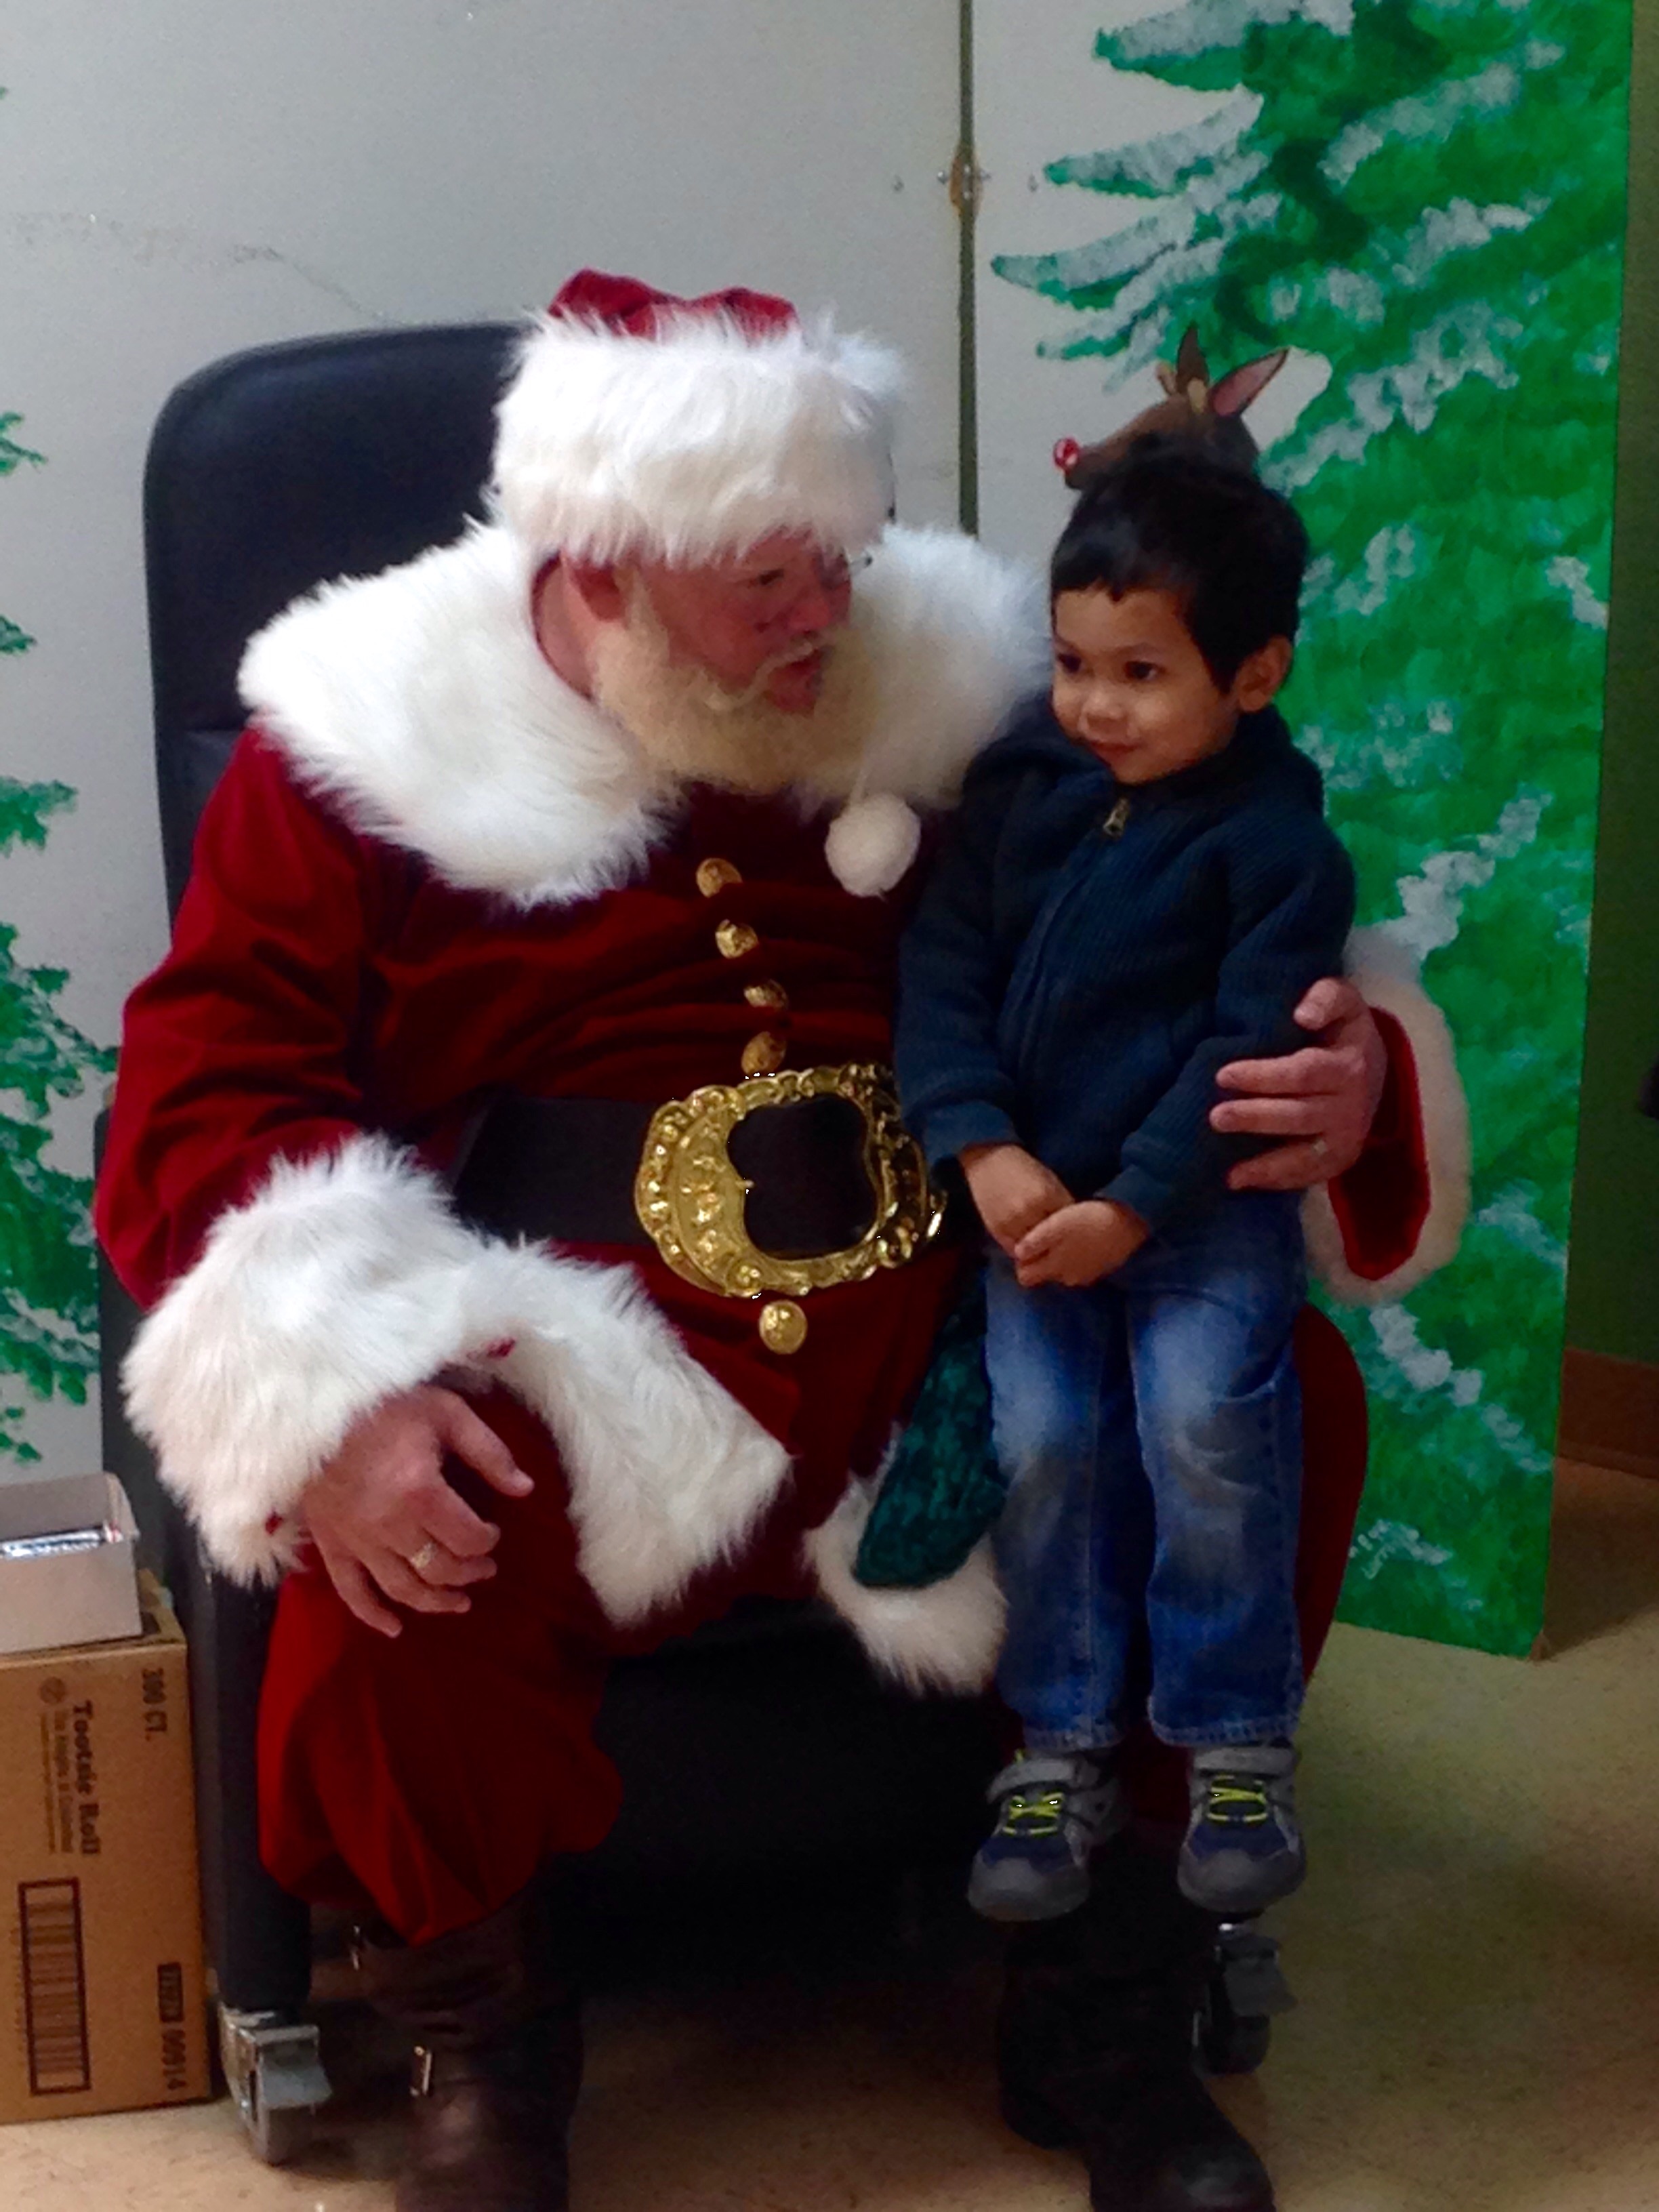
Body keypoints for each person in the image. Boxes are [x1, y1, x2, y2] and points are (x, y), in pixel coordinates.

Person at [97, 272, 1457, 2212]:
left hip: (949, 1333)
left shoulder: (963, 689)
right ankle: (485, 2051)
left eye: (843, 556)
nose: (827, 612)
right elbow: (202, 1098)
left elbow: (1222, 892)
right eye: (765, 584)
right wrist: (339, 1389)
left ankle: (1106, 2007)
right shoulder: (362, 752)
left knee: (1274, 1399)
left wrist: (1349, 1076)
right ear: (599, 570)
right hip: (588, 1364)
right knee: (416, 1513)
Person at [897, 440, 1354, 1932]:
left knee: (1203, 1430)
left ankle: (1236, 1746)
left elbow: (1247, 1047)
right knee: (1043, 1446)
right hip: (1031, 1210)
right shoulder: (1024, 789)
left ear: (1255, 675)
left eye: (1141, 674)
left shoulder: (1280, 847)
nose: (1095, 705)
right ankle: (1061, 1745)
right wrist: (980, 1144)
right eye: (1074, 663)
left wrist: (1136, 1206)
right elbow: (944, 969)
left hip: (1197, 1219)